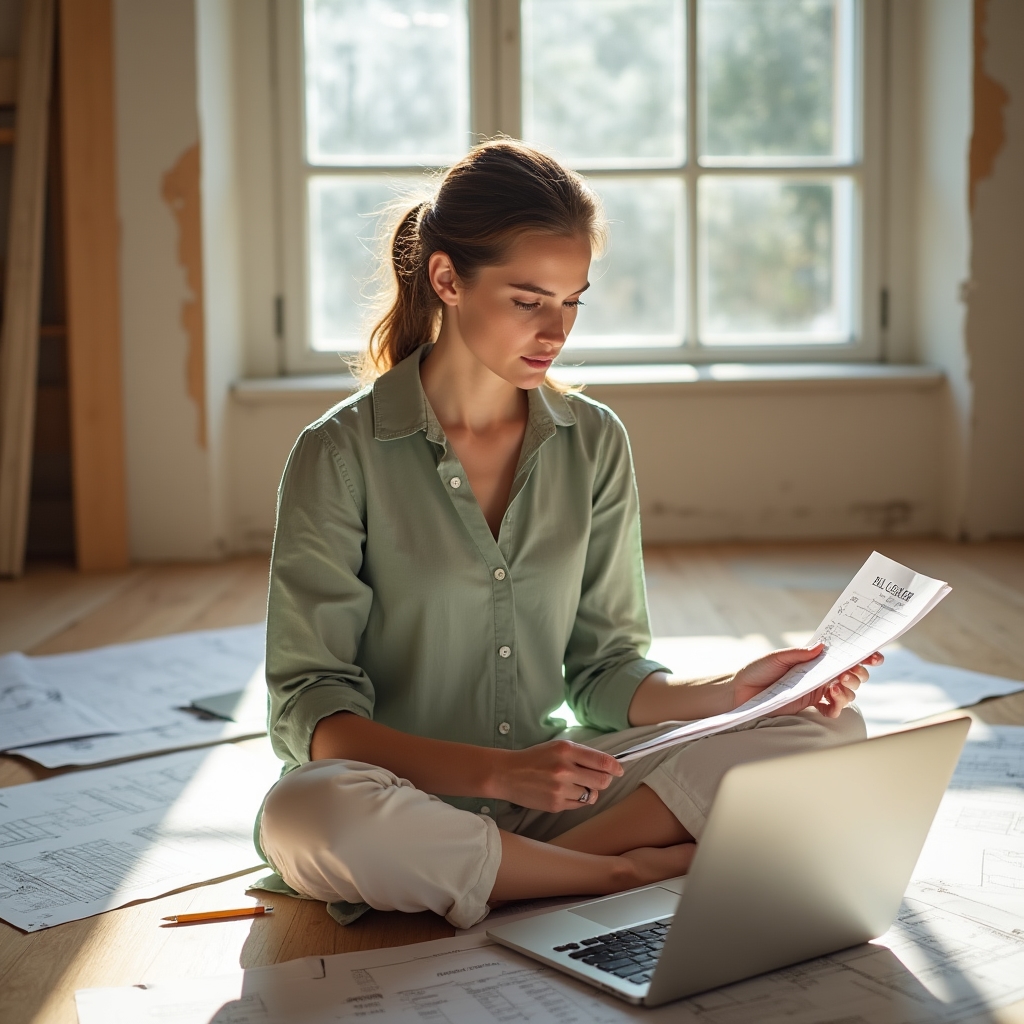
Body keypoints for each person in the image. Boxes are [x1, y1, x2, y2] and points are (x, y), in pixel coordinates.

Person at [255, 140, 877, 930]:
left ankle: (537, 872)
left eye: (573, 300)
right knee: (306, 814)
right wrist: (501, 774)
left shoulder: (595, 440)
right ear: (447, 279)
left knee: (825, 729)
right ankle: (613, 873)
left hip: (566, 791)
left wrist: (733, 693)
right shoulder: (338, 453)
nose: (556, 331)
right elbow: (315, 713)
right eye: (527, 300)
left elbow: (605, 673)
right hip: (397, 795)